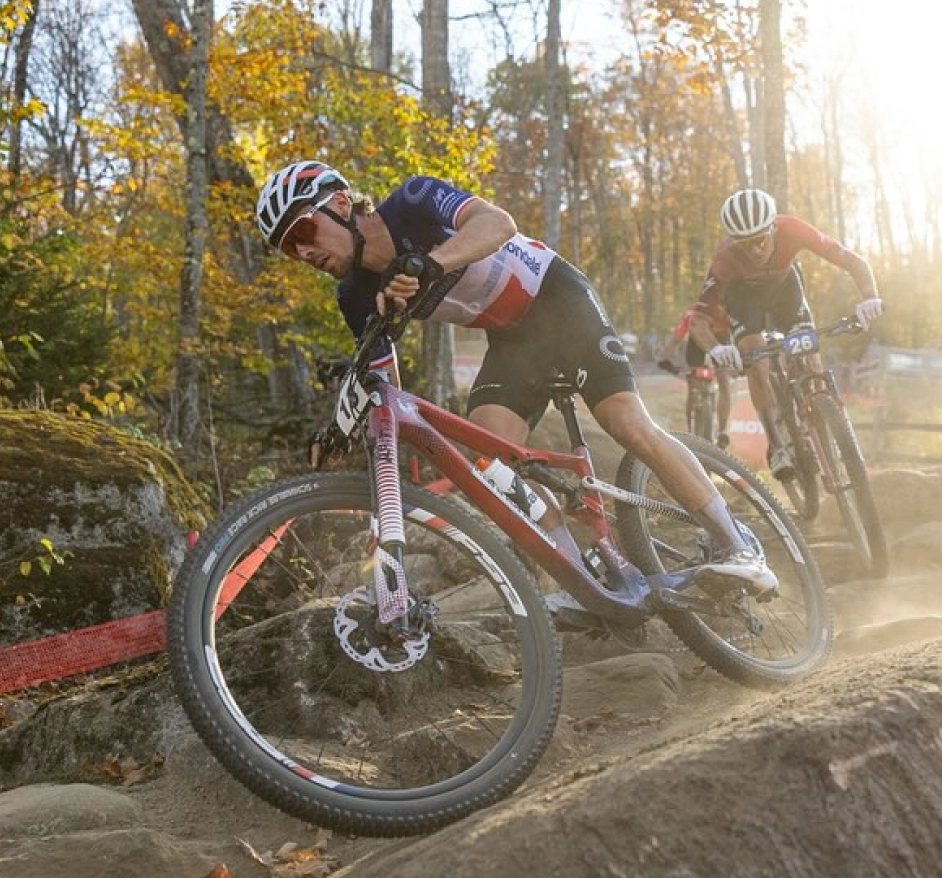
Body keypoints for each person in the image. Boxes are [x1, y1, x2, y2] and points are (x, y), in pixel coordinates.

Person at [255, 160, 777, 604]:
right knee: (490, 460)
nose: (302, 253)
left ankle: (738, 545)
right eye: (287, 249)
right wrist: (338, 428)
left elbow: (497, 223)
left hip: (557, 298)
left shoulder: (412, 201)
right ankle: (584, 585)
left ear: (340, 203)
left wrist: (430, 262)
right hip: (513, 342)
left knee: (625, 421)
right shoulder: (353, 295)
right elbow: (381, 382)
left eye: (302, 232)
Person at [687, 188, 882, 481]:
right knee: (755, 362)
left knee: (809, 354)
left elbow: (850, 259)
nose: (754, 251)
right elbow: (698, 321)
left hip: (784, 290)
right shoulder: (725, 259)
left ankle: (823, 416)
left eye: (760, 240)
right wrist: (717, 349)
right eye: (744, 245)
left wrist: (869, 296)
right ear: (733, 242)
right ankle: (777, 444)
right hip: (744, 299)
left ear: (773, 229)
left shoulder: (792, 229)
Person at [656, 302, 735, 448]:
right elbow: (676, 338)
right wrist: (664, 358)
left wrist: (664, 359)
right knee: (715, 384)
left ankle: (718, 431)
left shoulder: (716, 310)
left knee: (720, 382)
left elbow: (676, 338)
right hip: (703, 349)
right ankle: (704, 428)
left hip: (713, 346)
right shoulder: (697, 312)